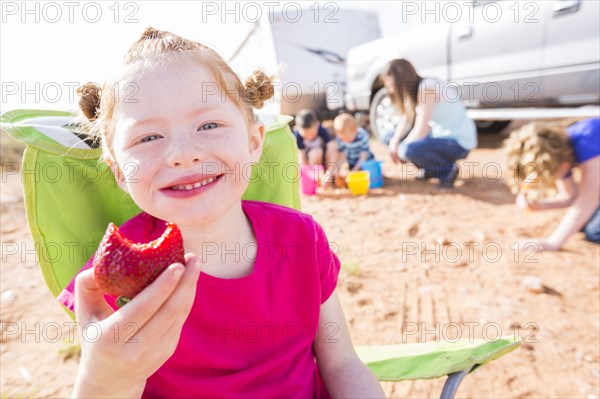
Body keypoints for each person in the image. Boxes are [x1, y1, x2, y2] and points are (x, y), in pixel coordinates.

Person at [57, 28, 385, 398]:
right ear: (118, 170)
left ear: (253, 142)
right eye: (148, 138)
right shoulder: (115, 272)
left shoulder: (300, 238)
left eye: (209, 125)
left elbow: (341, 362)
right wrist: (103, 380)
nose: (183, 153)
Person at [503, 118, 600, 250]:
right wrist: (540, 205)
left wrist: (552, 242)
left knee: (594, 230)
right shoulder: (561, 151)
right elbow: (570, 197)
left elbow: (587, 200)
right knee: (585, 222)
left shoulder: (589, 140)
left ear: (563, 166)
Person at [381, 59, 477, 188]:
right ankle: (431, 168)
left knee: (408, 149)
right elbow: (407, 117)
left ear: (401, 81)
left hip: (457, 141)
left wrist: (400, 149)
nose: (391, 91)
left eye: (392, 86)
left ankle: (447, 170)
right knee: (389, 137)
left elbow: (422, 130)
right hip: (439, 135)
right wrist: (395, 141)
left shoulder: (427, 88)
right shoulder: (415, 89)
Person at [293, 109, 339, 185]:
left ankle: (329, 177)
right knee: (315, 153)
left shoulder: (322, 130)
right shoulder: (297, 135)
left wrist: (329, 171)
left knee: (335, 152)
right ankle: (316, 178)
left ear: (317, 124)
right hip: (311, 164)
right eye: (306, 134)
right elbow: (301, 157)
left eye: (311, 133)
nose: (309, 136)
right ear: (298, 128)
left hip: (324, 162)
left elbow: (332, 149)